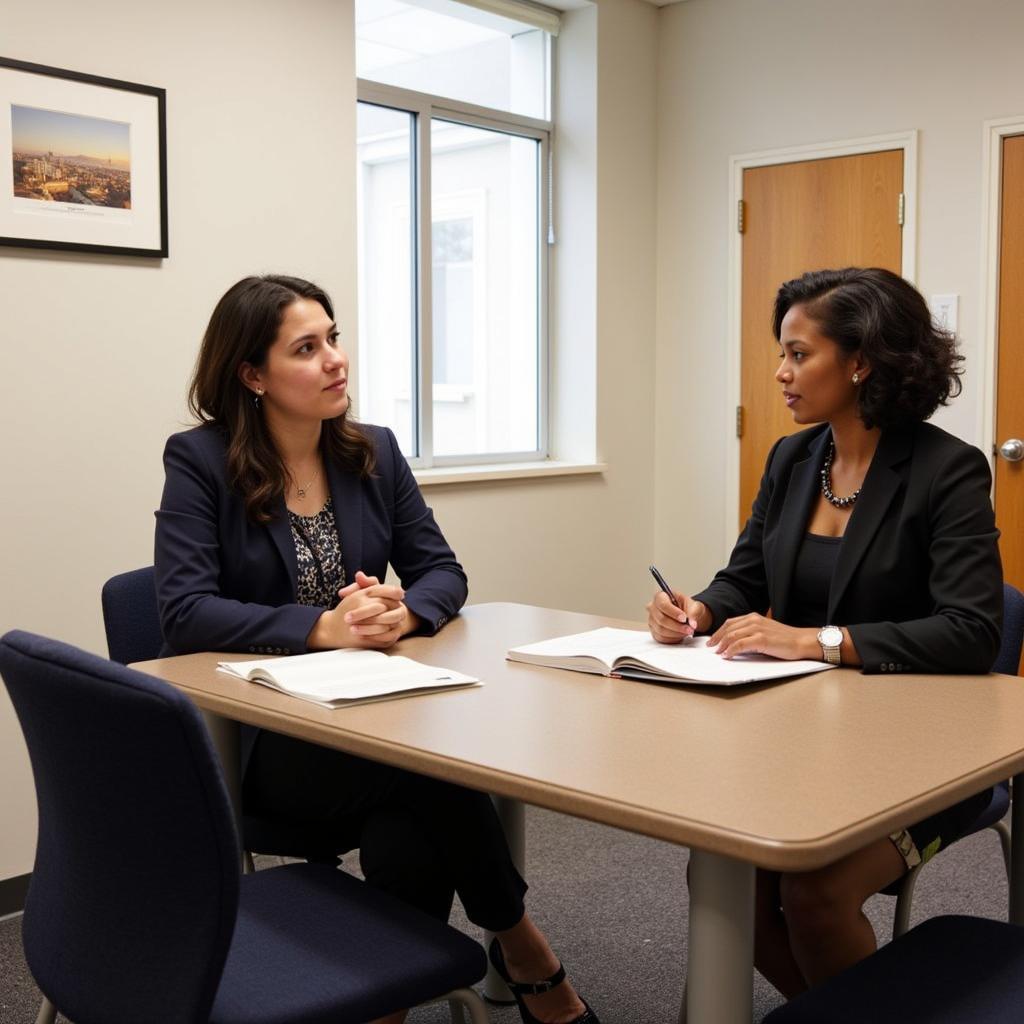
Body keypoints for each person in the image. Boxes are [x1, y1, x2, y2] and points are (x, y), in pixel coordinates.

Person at [156, 274, 598, 1024]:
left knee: (411, 821)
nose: (336, 360)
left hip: (375, 715)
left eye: (333, 337)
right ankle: (523, 945)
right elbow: (184, 610)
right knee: (430, 770)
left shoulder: (372, 452)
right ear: (253, 375)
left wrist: (403, 616)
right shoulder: (202, 461)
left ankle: (383, 1007)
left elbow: (442, 572)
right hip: (268, 739)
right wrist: (323, 626)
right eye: (307, 347)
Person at [647, 267, 1002, 998]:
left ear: (861, 361)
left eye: (799, 354)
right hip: (805, 739)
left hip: (926, 755)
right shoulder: (791, 458)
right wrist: (700, 610)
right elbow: (743, 577)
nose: (780, 373)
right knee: (726, 873)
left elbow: (971, 630)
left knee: (814, 893)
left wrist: (822, 640)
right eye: (781, 353)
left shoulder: (948, 471)